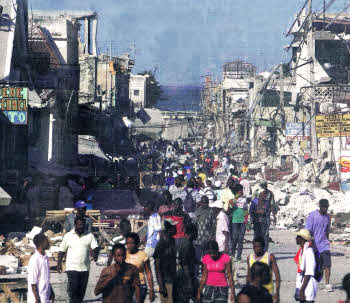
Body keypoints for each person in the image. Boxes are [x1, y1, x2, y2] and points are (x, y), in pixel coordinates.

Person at [58, 217, 100, 303]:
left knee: (81, 293)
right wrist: (58, 264)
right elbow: (62, 251)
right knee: (74, 291)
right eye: (79, 224)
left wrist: (95, 254)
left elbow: (95, 247)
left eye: (82, 225)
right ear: (75, 224)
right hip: (72, 268)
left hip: (85, 269)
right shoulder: (68, 236)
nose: (81, 226)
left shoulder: (89, 235)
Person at [305, 199, 332, 292]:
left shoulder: (328, 217)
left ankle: (327, 284)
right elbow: (308, 230)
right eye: (324, 207)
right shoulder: (313, 216)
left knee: (327, 264)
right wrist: (310, 242)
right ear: (320, 207)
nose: (325, 209)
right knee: (314, 265)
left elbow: (327, 230)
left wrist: (327, 241)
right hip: (314, 244)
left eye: (327, 207)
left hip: (324, 244)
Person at [246, 237, 280, 303]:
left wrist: (277, 293)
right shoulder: (249, 258)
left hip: (268, 291)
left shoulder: (269, 257)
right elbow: (249, 276)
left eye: (259, 246)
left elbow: (277, 275)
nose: (257, 249)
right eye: (255, 246)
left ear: (263, 246)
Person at [125, 233, 155, 303]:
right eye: (128, 243)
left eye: (132, 243)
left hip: (140, 285)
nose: (130, 245)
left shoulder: (143, 255)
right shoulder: (123, 255)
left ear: (137, 243)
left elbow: (148, 272)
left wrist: (151, 290)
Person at [154, 220, 177, 303]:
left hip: (173, 279)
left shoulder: (172, 241)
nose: (176, 228)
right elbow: (157, 266)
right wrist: (161, 286)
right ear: (169, 229)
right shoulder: (161, 244)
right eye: (174, 227)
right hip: (165, 281)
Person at [174, 223, 198, 303]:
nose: (197, 233)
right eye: (196, 231)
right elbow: (185, 264)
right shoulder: (187, 244)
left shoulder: (186, 242)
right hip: (185, 276)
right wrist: (189, 282)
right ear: (192, 232)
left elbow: (192, 259)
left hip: (185, 274)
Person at [27, 234, 55, 303]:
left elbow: (45, 278)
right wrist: (37, 299)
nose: (49, 242)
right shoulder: (35, 259)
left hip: (45, 297)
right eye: (46, 240)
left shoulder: (45, 257)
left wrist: (51, 291)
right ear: (40, 243)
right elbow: (33, 282)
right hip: (37, 299)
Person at [294, 229, 318, 303]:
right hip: (303, 284)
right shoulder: (302, 251)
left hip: (308, 286)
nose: (296, 238)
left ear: (302, 239)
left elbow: (309, 273)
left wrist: (302, 290)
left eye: (298, 236)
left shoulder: (308, 252)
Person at [194, 196, 216, 265]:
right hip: (198, 239)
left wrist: (212, 235)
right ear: (201, 203)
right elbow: (194, 223)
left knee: (207, 259)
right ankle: (196, 274)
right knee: (197, 259)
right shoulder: (197, 211)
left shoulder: (211, 211)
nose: (205, 204)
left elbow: (214, 224)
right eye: (203, 203)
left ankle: (206, 273)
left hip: (207, 238)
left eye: (206, 203)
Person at [230, 184, 248, 262]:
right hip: (234, 221)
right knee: (234, 239)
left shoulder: (244, 200)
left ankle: (239, 257)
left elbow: (246, 210)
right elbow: (231, 204)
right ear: (237, 191)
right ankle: (233, 254)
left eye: (242, 190)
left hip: (242, 221)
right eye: (240, 190)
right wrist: (237, 196)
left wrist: (247, 221)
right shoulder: (234, 199)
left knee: (240, 240)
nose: (241, 191)